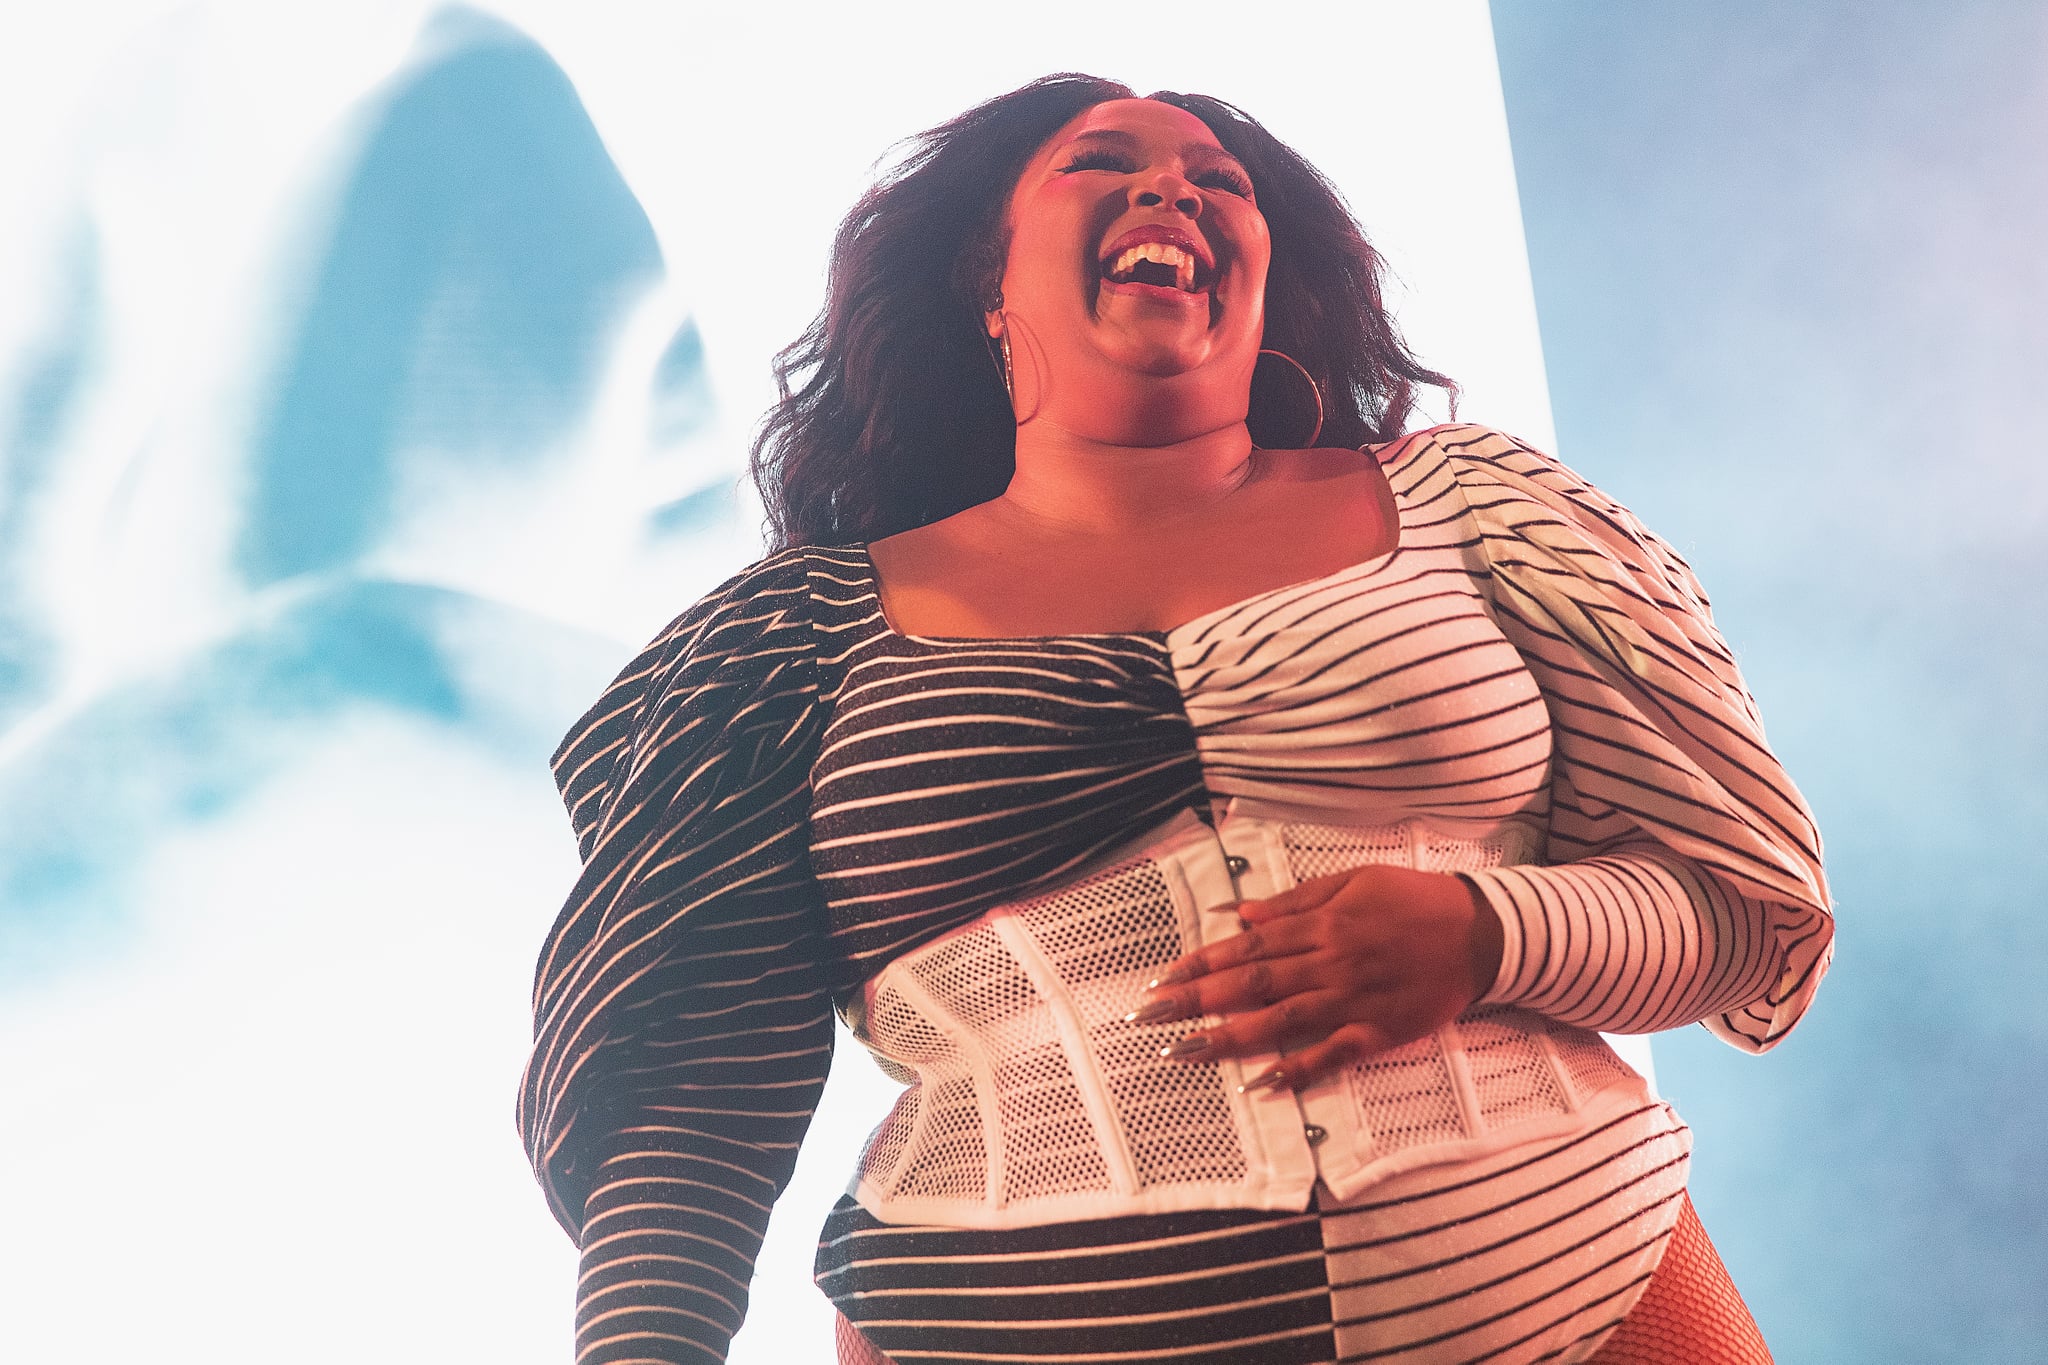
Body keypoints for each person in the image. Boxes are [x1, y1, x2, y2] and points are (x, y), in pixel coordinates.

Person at [517, 74, 1833, 1365]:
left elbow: (1736, 910)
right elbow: (679, 1088)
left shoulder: (1482, 514)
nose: (1174, 188)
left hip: (1592, 1295)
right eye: (1102, 162)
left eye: (1222, 182)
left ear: (1267, 282)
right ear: (987, 279)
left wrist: (1483, 931)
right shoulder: (792, 641)